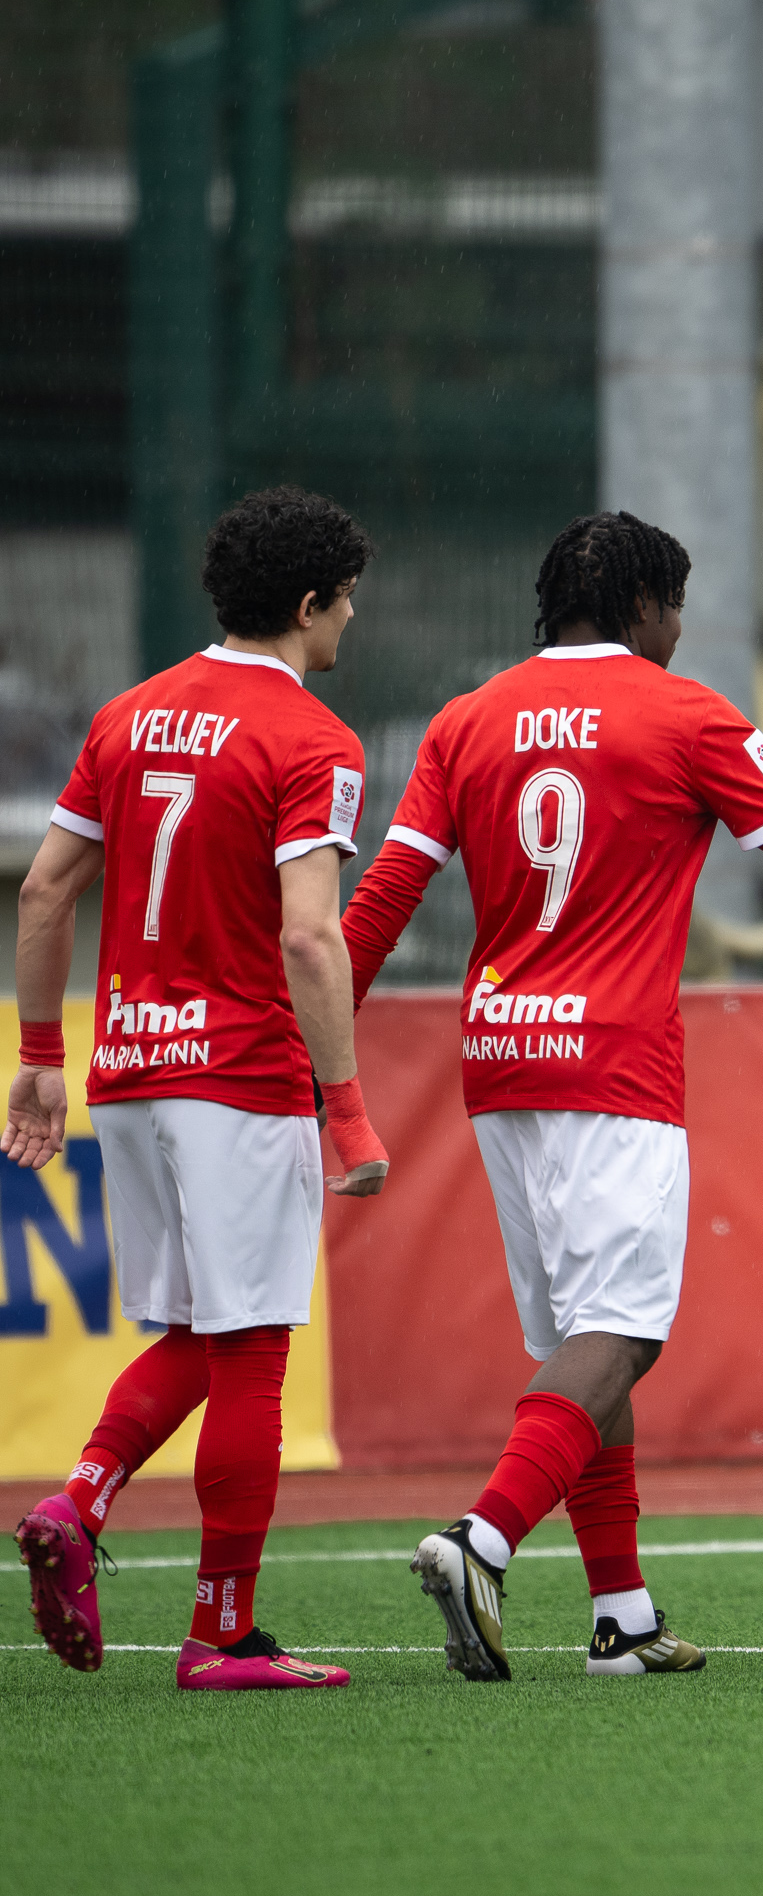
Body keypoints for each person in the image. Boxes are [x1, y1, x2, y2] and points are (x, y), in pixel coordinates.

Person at [341, 511, 763, 1681]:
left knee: (584, 1343)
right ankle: (482, 1539)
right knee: (621, 1335)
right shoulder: (685, 714)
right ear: (642, 607)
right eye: (674, 608)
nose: (679, 628)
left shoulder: (466, 719)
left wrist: (316, 1061)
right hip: (614, 1066)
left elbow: (380, 901)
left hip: (500, 1059)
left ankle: (621, 1615)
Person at [9, 486, 389, 1692]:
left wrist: (39, 1057)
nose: (350, 621)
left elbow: (44, 890)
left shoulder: (126, 715)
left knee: (192, 1331)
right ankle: (222, 1632)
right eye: (346, 602)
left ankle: (76, 1502)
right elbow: (310, 935)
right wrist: (345, 1107)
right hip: (238, 1074)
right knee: (256, 1346)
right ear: (309, 603)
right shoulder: (316, 739)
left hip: (127, 1065)